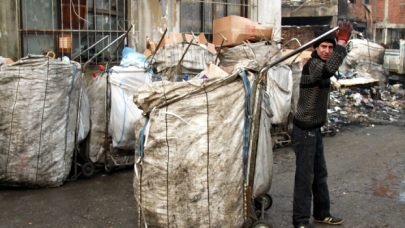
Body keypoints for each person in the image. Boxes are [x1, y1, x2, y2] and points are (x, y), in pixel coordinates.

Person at [291, 20, 352, 228]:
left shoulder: (323, 63)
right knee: (304, 179)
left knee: (320, 175)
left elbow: (332, 66)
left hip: (314, 130)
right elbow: (329, 70)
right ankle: (300, 221)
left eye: (330, 47)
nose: (327, 51)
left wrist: (341, 44)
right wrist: (342, 41)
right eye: (323, 47)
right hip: (304, 132)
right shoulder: (313, 65)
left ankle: (321, 213)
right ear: (315, 48)